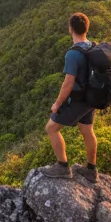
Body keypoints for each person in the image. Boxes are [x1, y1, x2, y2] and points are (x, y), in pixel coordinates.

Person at [41, 11, 98, 182]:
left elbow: (68, 83)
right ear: (86, 29)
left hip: (79, 99)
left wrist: (57, 104)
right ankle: (91, 169)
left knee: (51, 128)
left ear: (70, 29)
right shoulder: (93, 47)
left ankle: (62, 167)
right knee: (87, 130)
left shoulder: (72, 54)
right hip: (91, 98)